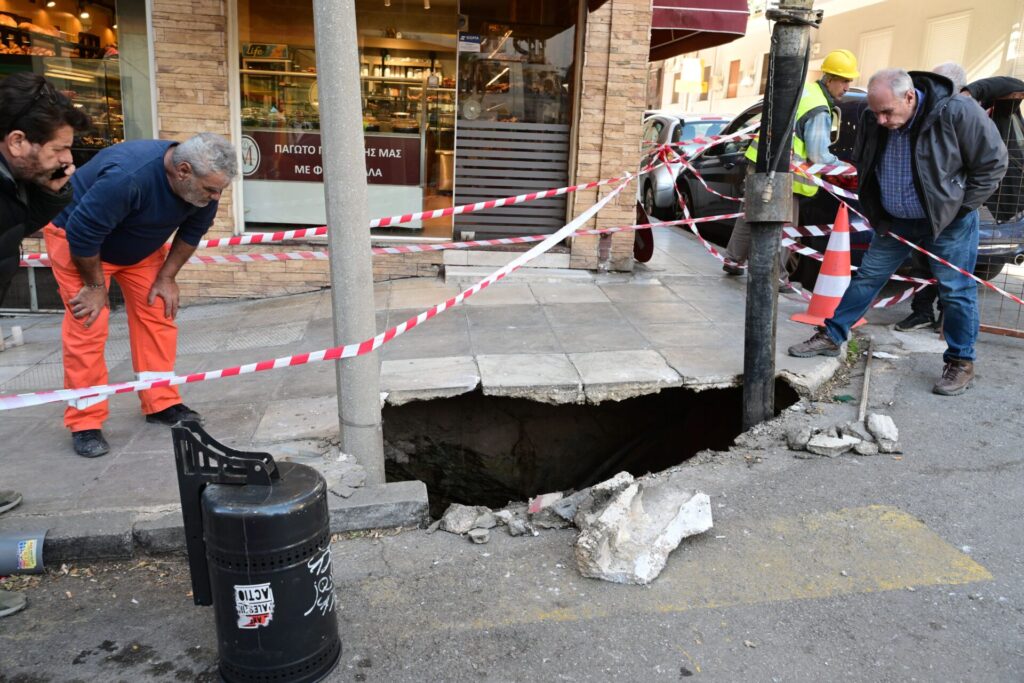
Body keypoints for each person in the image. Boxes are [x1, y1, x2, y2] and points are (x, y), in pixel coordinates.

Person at [788, 68, 1008, 396]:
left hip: (948, 221)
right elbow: (867, 161)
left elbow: (993, 165)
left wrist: (959, 208)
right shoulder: (873, 116)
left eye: (887, 112)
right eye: (875, 112)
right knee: (867, 278)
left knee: (956, 289)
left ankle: (961, 362)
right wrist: (877, 207)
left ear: (909, 97)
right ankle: (832, 336)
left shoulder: (956, 112)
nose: (880, 120)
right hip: (896, 221)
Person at [45, 133, 237, 457]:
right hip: (79, 247)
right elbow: (82, 232)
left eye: (220, 189)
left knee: (159, 312)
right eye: (210, 189)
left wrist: (167, 277)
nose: (216, 196)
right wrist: (94, 288)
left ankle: (160, 402)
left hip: (139, 252)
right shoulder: (128, 176)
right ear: (183, 171)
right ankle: (85, 422)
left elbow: (192, 232)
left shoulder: (204, 190)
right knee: (88, 326)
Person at [1, 72, 89, 620]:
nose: (65, 158)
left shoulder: (14, 179)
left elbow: (12, 229)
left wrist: (55, 188)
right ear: (18, 142)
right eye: (58, 149)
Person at [723, 49, 860, 293]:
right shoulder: (819, 109)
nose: (847, 87)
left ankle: (733, 259)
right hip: (784, 173)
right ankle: (777, 277)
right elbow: (818, 155)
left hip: (762, 160)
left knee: (751, 212)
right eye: (845, 80)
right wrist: (844, 167)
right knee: (784, 223)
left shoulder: (807, 91)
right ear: (830, 78)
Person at [894, 62, 968, 332]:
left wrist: (964, 205)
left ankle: (946, 320)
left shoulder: (965, 113)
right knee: (922, 263)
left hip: (952, 209)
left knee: (950, 271)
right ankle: (921, 312)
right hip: (922, 208)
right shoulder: (925, 112)